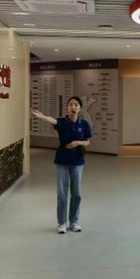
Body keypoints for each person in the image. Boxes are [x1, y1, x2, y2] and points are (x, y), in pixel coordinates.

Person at [32, 96, 93, 234]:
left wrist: (78, 143)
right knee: (62, 193)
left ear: (80, 108)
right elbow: (53, 120)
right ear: (67, 107)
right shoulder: (62, 122)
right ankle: (62, 223)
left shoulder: (84, 124)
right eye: (71, 104)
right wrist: (43, 117)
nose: (73, 107)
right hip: (62, 160)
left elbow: (88, 141)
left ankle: (74, 221)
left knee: (76, 193)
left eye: (76, 105)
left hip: (77, 161)